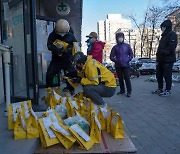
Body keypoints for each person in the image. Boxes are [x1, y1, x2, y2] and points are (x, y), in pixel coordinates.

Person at [46, 19, 77, 96]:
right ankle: (49, 92)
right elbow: (49, 46)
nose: (62, 35)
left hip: (67, 59)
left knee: (70, 74)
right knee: (49, 75)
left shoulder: (71, 35)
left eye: (63, 33)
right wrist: (57, 50)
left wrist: (68, 50)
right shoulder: (52, 35)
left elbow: (75, 46)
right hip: (56, 59)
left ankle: (71, 89)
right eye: (60, 33)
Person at [152, 19, 177, 96]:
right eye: (162, 27)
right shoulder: (163, 36)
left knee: (167, 75)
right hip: (161, 59)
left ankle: (168, 90)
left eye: (163, 27)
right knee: (159, 75)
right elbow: (160, 48)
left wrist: (163, 52)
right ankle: (160, 89)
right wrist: (158, 57)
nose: (162, 28)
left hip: (168, 59)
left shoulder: (172, 34)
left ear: (167, 27)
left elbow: (172, 47)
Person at [110, 32, 133, 97]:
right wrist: (116, 60)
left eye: (121, 37)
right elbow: (111, 56)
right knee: (120, 79)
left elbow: (131, 54)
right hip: (118, 65)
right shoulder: (115, 47)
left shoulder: (127, 46)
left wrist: (128, 59)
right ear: (116, 38)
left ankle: (129, 91)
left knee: (127, 78)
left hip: (126, 65)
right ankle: (122, 90)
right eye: (119, 37)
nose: (120, 38)